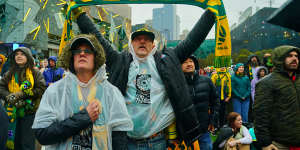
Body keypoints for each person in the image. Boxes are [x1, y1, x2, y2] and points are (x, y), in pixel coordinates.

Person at [73, 6, 215, 149]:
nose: (142, 41)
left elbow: (192, 41)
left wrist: (210, 14)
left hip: (158, 141)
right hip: (127, 142)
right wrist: (79, 15)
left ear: (153, 44)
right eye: (137, 39)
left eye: (147, 39)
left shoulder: (166, 61)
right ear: (131, 44)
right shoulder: (119, 61)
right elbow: (98, 40)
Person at [32, 34, 133, 150]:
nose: (82, 53)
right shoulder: (55, 91)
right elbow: (42, 135)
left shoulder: (111, 93)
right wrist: (84, 117)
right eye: (77, 51)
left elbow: (119, 139)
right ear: (71, 57)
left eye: (88, 51)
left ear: (96, 57)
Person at [254, 45, 300, 150]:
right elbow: (261, 115)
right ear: (280, 58)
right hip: (279, 144)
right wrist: (265, 143)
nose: (294, 59)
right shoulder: (267, 83)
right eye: (290, 56)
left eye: (296, 56)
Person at [0, 47, 46, 150]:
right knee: (13, 142)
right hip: (12, 112)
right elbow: (1, 87)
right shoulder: (10, 72)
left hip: (29, 113)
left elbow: (41, 89)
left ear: (28, 57)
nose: (19, 56)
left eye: (22, 54)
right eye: (17, 54)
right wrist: (9, 97)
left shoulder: (35, 72)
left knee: (26, 144)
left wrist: (21, 95)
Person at [181, 55, 219, 150]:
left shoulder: (206, 81)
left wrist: (213, 120)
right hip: (184, 133)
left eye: (191, 61)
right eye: (185, 62)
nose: (189, 64)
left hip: (203, 129)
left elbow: (215, 102)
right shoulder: (177, 84)